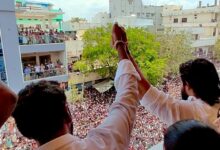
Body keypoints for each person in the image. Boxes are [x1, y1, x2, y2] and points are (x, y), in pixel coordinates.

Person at [12, 23, 140, 150]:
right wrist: (120, 45)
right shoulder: (100, 146)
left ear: (25, 132)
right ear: (67, 114)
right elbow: (125, 103)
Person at [117, 28, 220, 128]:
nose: (182, 88)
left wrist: (120, 45)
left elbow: (145, 92)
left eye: (183, 84)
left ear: (188, 85)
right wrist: (126, 51)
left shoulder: (194, 113)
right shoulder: (214, 107)